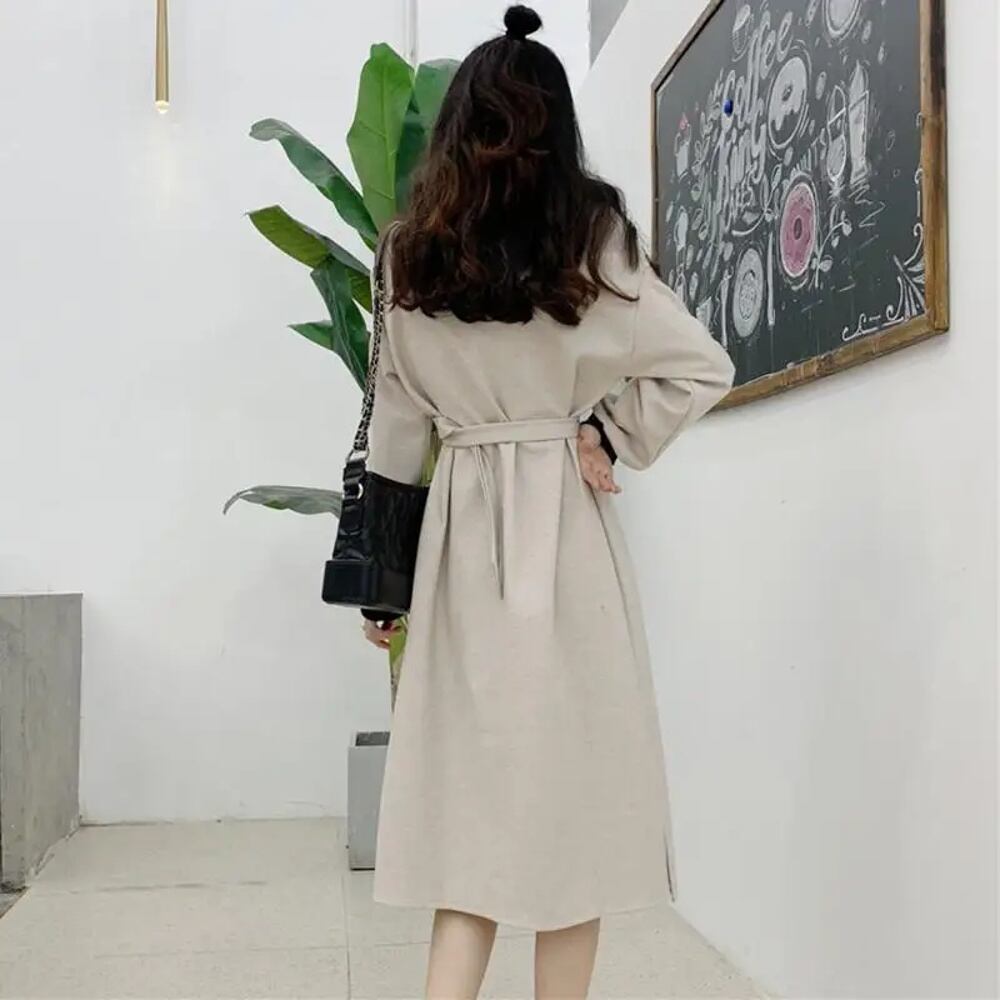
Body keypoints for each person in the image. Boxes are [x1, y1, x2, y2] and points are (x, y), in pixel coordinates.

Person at [358, 6, 735, 997]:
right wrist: (607, 431)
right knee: (575, 826)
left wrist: (382, 584)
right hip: (565, 537)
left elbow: (395, 429)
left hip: (459, 544)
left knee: (467, 829)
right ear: (557, 127)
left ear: (455, 126)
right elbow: (701, 366)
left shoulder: (405, 254)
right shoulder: (594, 241)